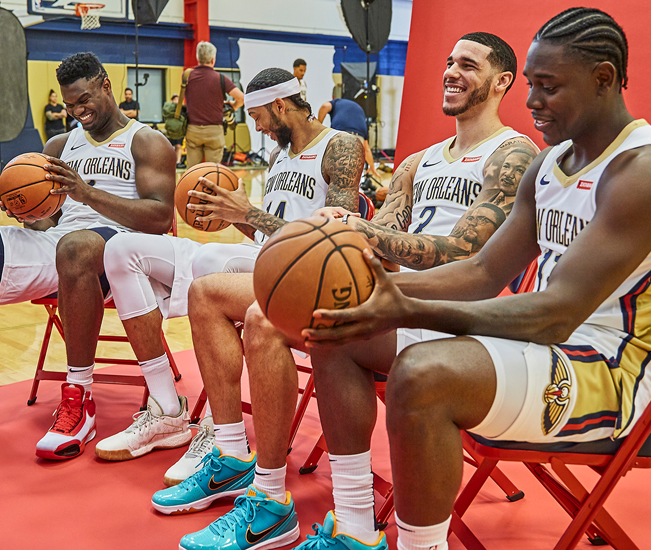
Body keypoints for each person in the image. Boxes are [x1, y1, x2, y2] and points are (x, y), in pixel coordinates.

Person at [304, 9, 651, 550]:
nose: (532, 101)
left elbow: (556, 312)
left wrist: (408, 307)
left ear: (604, 78)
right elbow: (483, 270)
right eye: (532, 85)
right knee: (341, 330)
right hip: (543, 344)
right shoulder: (552, 163)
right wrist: (369, 288)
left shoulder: (648, 172)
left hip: (608, 371)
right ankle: (354, 529)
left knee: (424, 375)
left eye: (549, 87)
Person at [230, 32, 538, 550]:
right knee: (303, 320)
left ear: (503, 81)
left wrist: (359, 229)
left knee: (333, 327)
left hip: (466, 316)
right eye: (448, 61)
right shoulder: (417, 162)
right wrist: (337, 231)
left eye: (468, 64)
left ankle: (355, 523)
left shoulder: (513, 154)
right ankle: (344, 520)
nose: (451, 71)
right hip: (404, 301)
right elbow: (386, 246)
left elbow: (467, 253)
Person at [0, 52, 179, 462]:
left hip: (123, 251)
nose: (77, 112)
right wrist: (28, 212)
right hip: (63, 244)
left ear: (105, 86)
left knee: (75, 248)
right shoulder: (60, 145)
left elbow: (161, 218)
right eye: (69, 105)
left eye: (84, 101)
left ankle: (80, 398)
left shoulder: (146, 141)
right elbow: (51, 222)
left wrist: (88, 193)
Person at [148, 67, 365, 550]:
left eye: (260, 116)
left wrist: (248, 213)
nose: (258, 126)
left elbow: (338, 237)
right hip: (282, 270)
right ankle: (228, 455)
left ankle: (268, 493)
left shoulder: (340, 146)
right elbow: (273, 233)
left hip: (325, 281)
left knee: (219, 285)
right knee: (203, 290)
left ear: (282, 106)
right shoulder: (281, 156)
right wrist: (238, 217)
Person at [184, 42, 244, 168]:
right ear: (213, 59)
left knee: (192, 171)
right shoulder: (221, 79)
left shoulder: (187, 76)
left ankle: (191, 188)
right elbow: (241, 98)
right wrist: (233, 106)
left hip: (193, 129)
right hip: (214, 130)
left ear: (198, 58)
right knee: (213, 171)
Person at [317, 97, 377, 178]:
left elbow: (325, 106)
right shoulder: (360, 112)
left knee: (333, 167)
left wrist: (318, 125)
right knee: (349, 172)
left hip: (340, 134)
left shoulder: (336, 102)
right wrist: (372, 167)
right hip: (358, 138)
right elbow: (366, 149)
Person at [169, 94, 185, 168]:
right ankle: (172, 161)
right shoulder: (169, 109)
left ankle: (178, 161)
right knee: (171, 146)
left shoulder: (183, 109)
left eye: (177, 99)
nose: (176, 101)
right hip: (172, 130)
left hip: (180, 131)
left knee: (178, 146)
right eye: (174, 99)